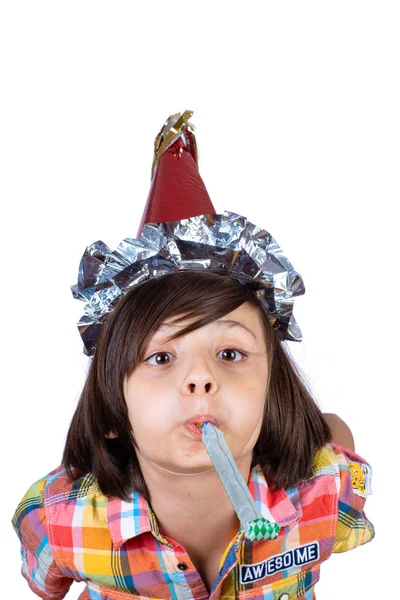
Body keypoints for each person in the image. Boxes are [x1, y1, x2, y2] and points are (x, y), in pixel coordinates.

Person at [11, 110, 375, 600]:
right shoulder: (59, 521)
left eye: (230, 352)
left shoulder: (323, 499)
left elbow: (336, 441)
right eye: (161, 358)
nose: (201, 377)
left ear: (274, 395)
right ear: (112, 410)